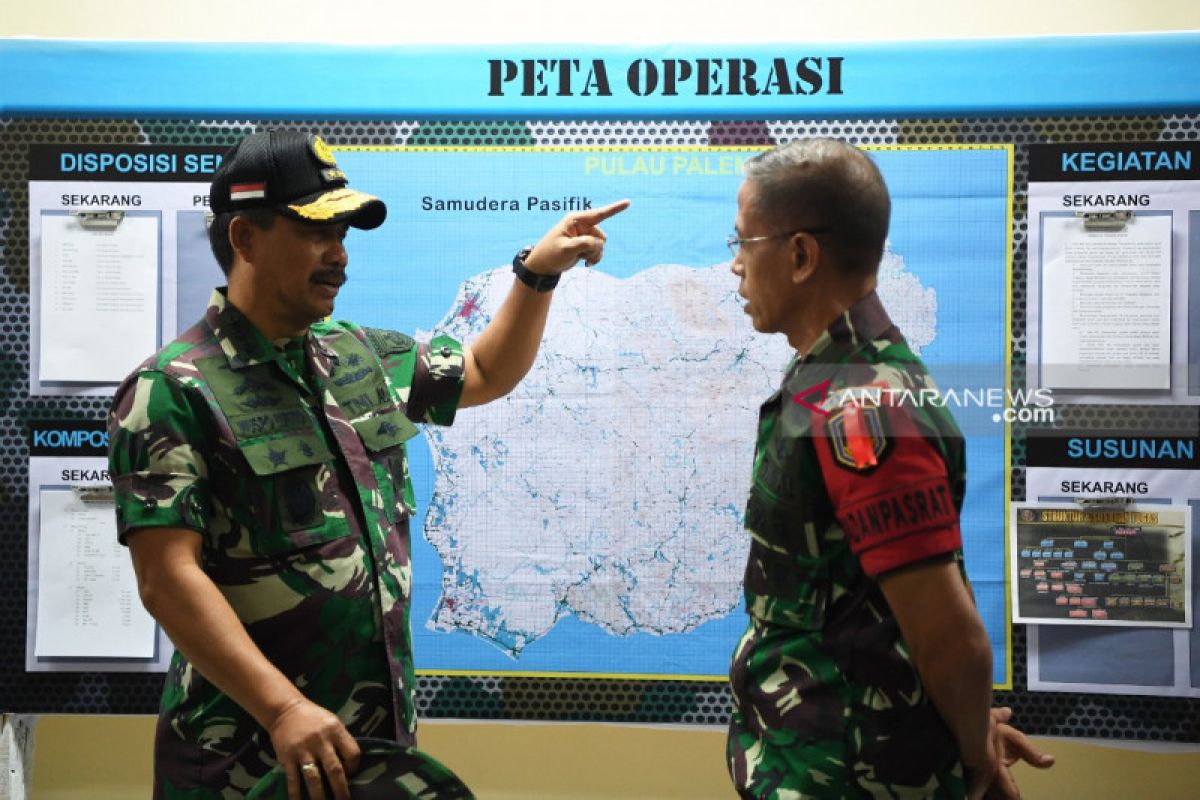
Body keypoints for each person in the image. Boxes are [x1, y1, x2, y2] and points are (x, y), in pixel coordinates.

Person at [107, 128, 628, 800]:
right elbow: (167, 578)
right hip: (246, 762)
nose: (339, 254)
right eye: (317, 230)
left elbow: (483, 369)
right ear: (245, 239)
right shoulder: (172, 389)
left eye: (345, 232)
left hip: (368, 752)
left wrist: (536, 274)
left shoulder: (356, 354)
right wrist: (284, 709)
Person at [724, 138, 1053, 799]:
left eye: (743, 243)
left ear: (799, 255)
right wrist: (955, 722)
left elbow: (946, 630)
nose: (733, 266)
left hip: (848, 777)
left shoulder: (861, 405)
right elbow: (869, 607)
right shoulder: (832, 377)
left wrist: (972, 752)